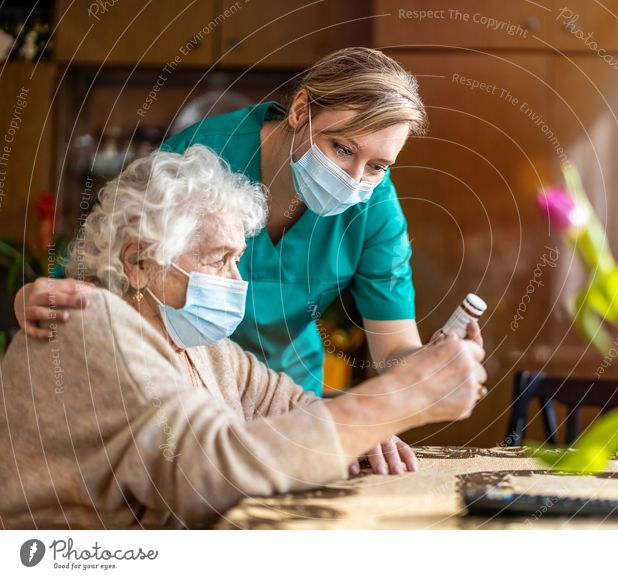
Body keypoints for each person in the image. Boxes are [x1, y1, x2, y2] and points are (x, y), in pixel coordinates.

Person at [13, 48, 483, 473]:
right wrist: (40, 299)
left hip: (282, 394)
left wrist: (425, 368)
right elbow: (104, 275)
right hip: (181, 385)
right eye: (342, 148)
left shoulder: (373, 206)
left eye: (379, 166)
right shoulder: (201, 159)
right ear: (301, 109)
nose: (355, 180)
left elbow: (393, 348)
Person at [0, 146, 487, 529]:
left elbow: (289, 407)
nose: (236, 282)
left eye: (237, 259)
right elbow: (210, 469)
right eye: (217, 259)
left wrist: (362, 437)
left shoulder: (199, 347)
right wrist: (394, 404)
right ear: (139, 262)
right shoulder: (92, 325)